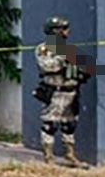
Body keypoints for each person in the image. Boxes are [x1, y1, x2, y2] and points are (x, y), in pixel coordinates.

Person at [35, 16, 92, 167]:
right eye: (64, 28)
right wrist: (63, 58)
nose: (68, 31)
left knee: (70, 125)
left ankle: (70, 156)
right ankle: (49, 159)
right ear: (56, 31)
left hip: (72, 92)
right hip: (55, 92)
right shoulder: (45, 48)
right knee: (50, 125)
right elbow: (47, 67)